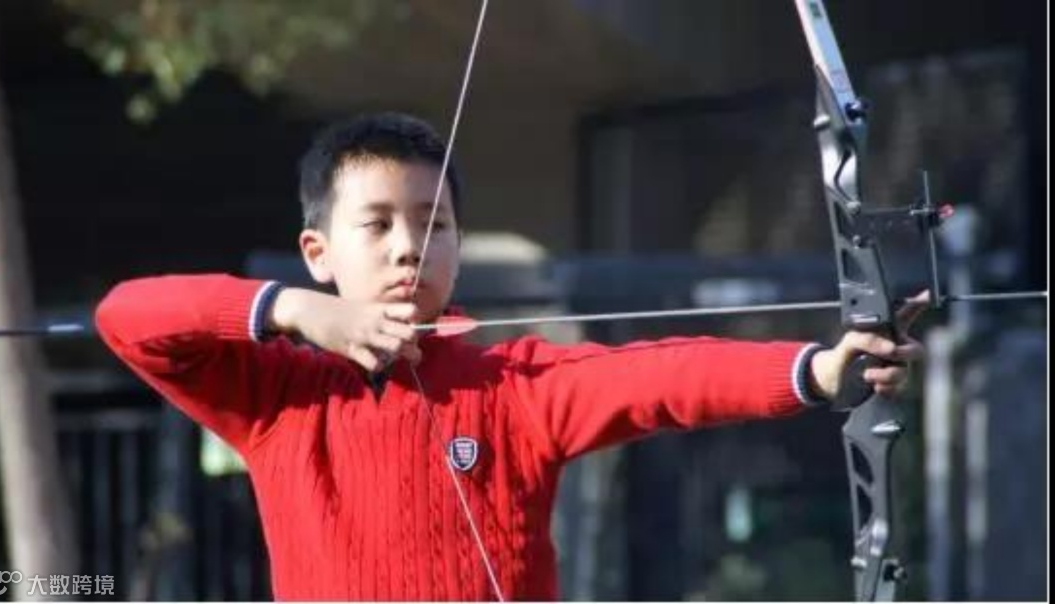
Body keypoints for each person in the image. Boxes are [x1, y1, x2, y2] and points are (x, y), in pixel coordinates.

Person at [95, 112, 926, 600]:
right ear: (317, 251)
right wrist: (295, 310)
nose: (409, 247)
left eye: (435, 224)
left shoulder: (513, 386)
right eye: (377, 224)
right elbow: (126, 317)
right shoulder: (276, 398)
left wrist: (818, 373)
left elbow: (661, 379)